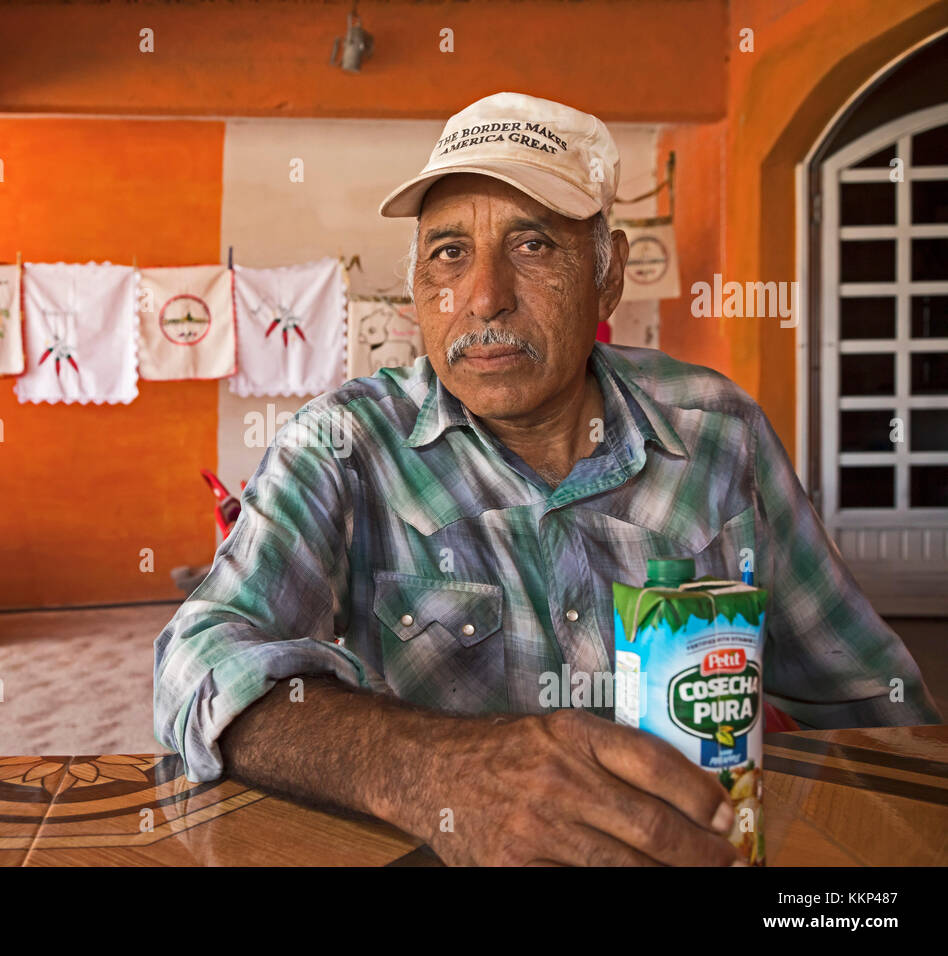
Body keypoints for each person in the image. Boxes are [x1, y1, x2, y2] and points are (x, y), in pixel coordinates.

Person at [152, 91, 942, 866]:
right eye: (449, 253)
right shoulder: (341, 444)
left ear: (608, 277)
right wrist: (430, 769)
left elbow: (874, 707)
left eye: (532, 246)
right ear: (420, 289)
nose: (485, 298)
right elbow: (197, 664)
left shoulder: (719, 434)